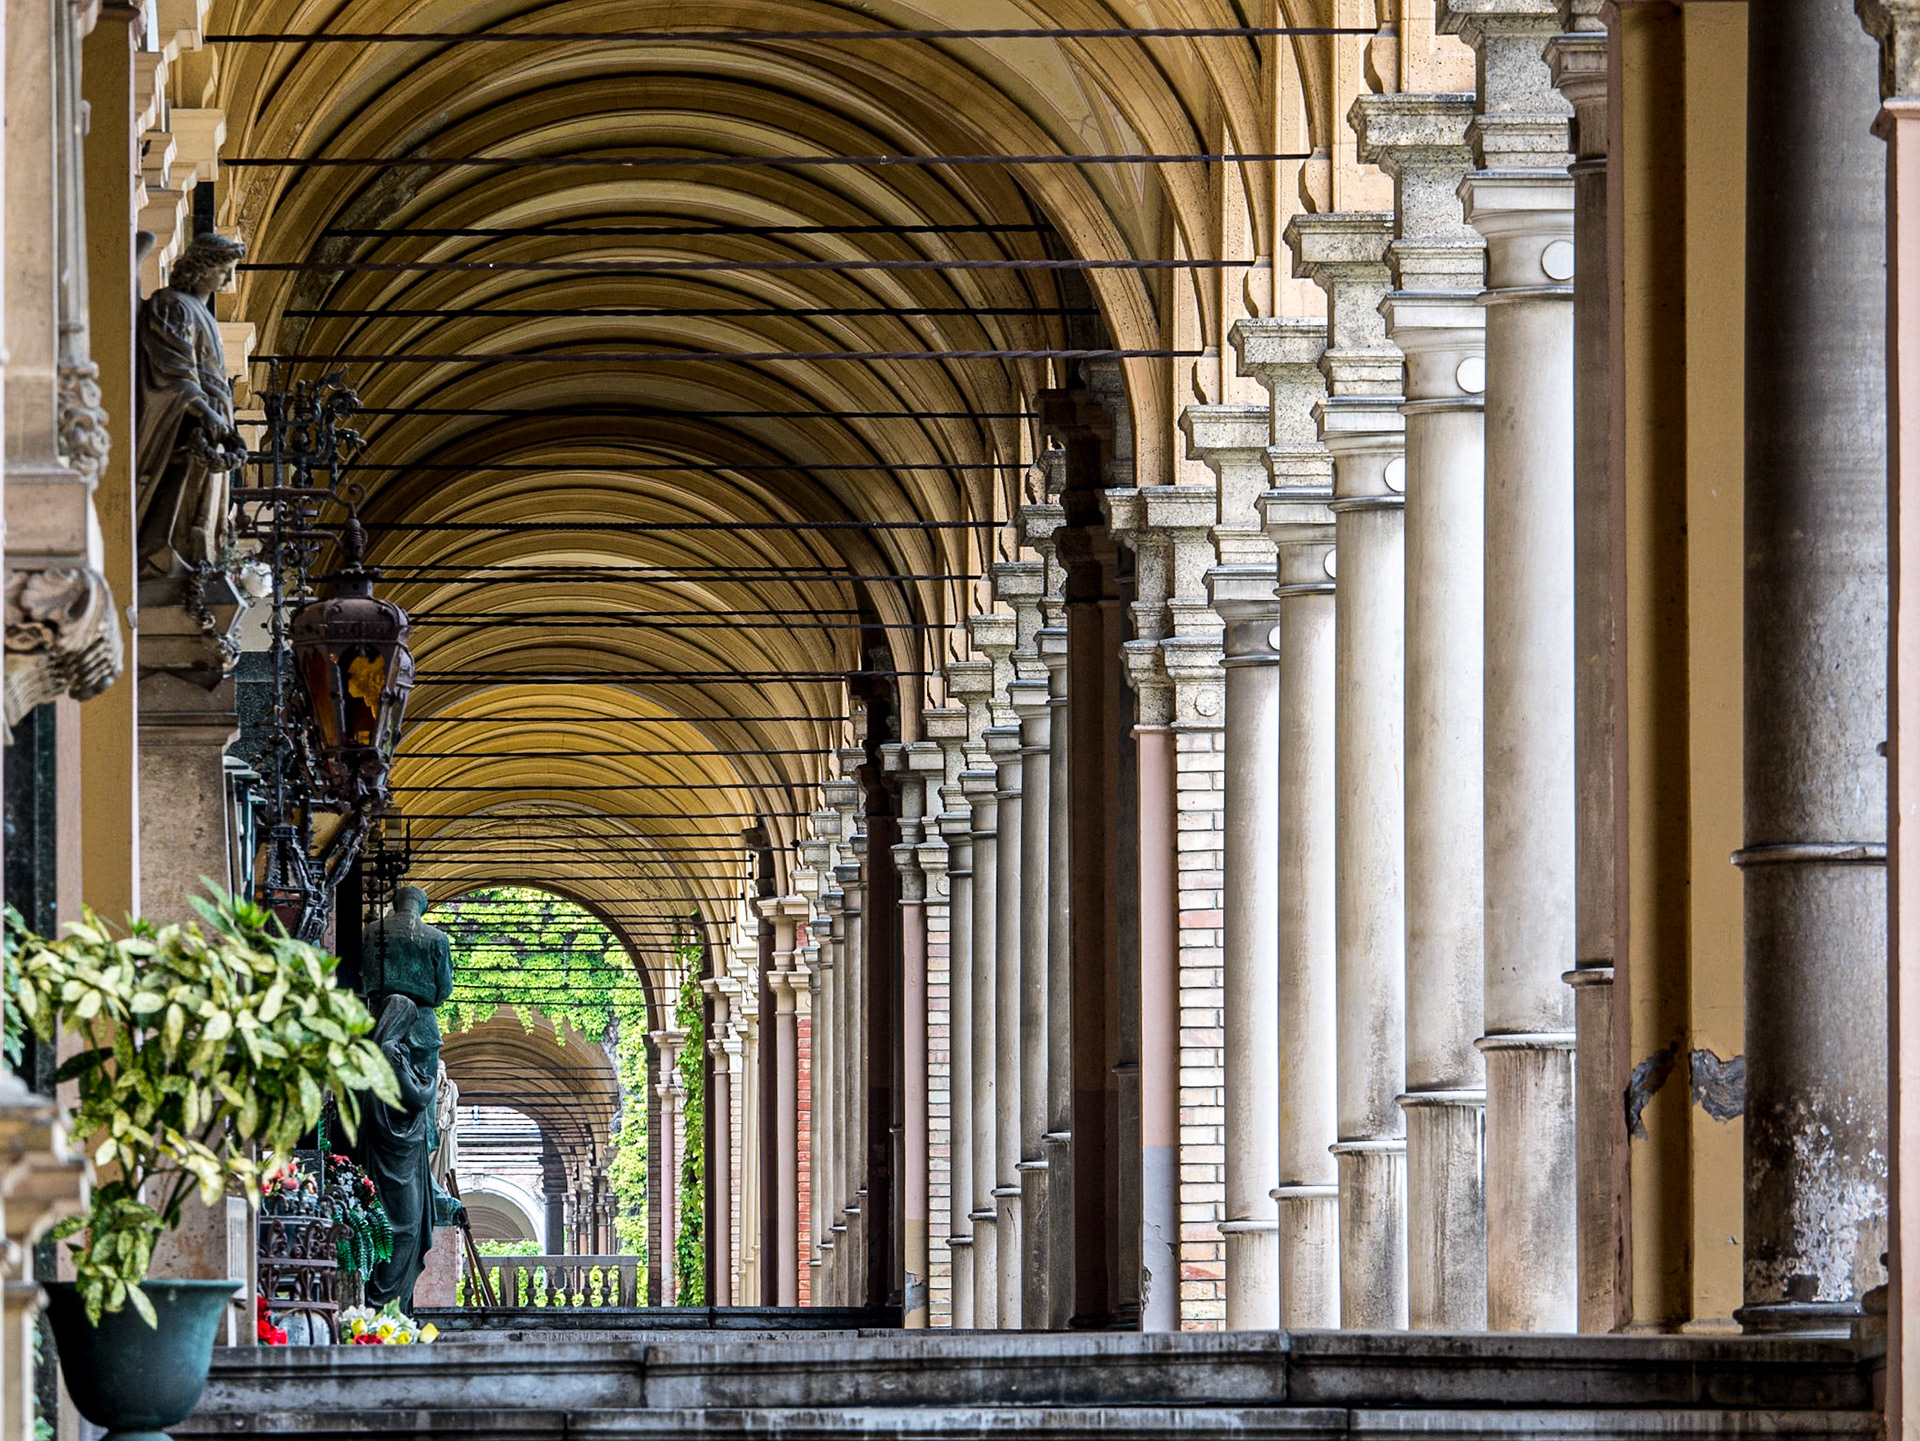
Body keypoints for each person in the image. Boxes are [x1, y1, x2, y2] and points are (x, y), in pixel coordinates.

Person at [134, 233, 248, 576]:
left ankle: (193, 560)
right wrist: (206, 411)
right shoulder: (173, 304)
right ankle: (160, 555)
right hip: (186, 422)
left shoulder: (202, 312)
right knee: (181, 493)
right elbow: (174, 368)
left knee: (202, 503)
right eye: (223, 269)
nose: (228, 279)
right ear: (201, 269)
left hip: (210, 422)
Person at [361, 995, 437, 1310]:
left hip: (395, 1153)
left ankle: (390, 1305)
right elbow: (416, 1098)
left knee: (402, 1228)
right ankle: (384, 1305)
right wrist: (430, 1084)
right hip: (396, 1158)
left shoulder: (389, 1053)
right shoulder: (389, 1053)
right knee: (403, 1230)